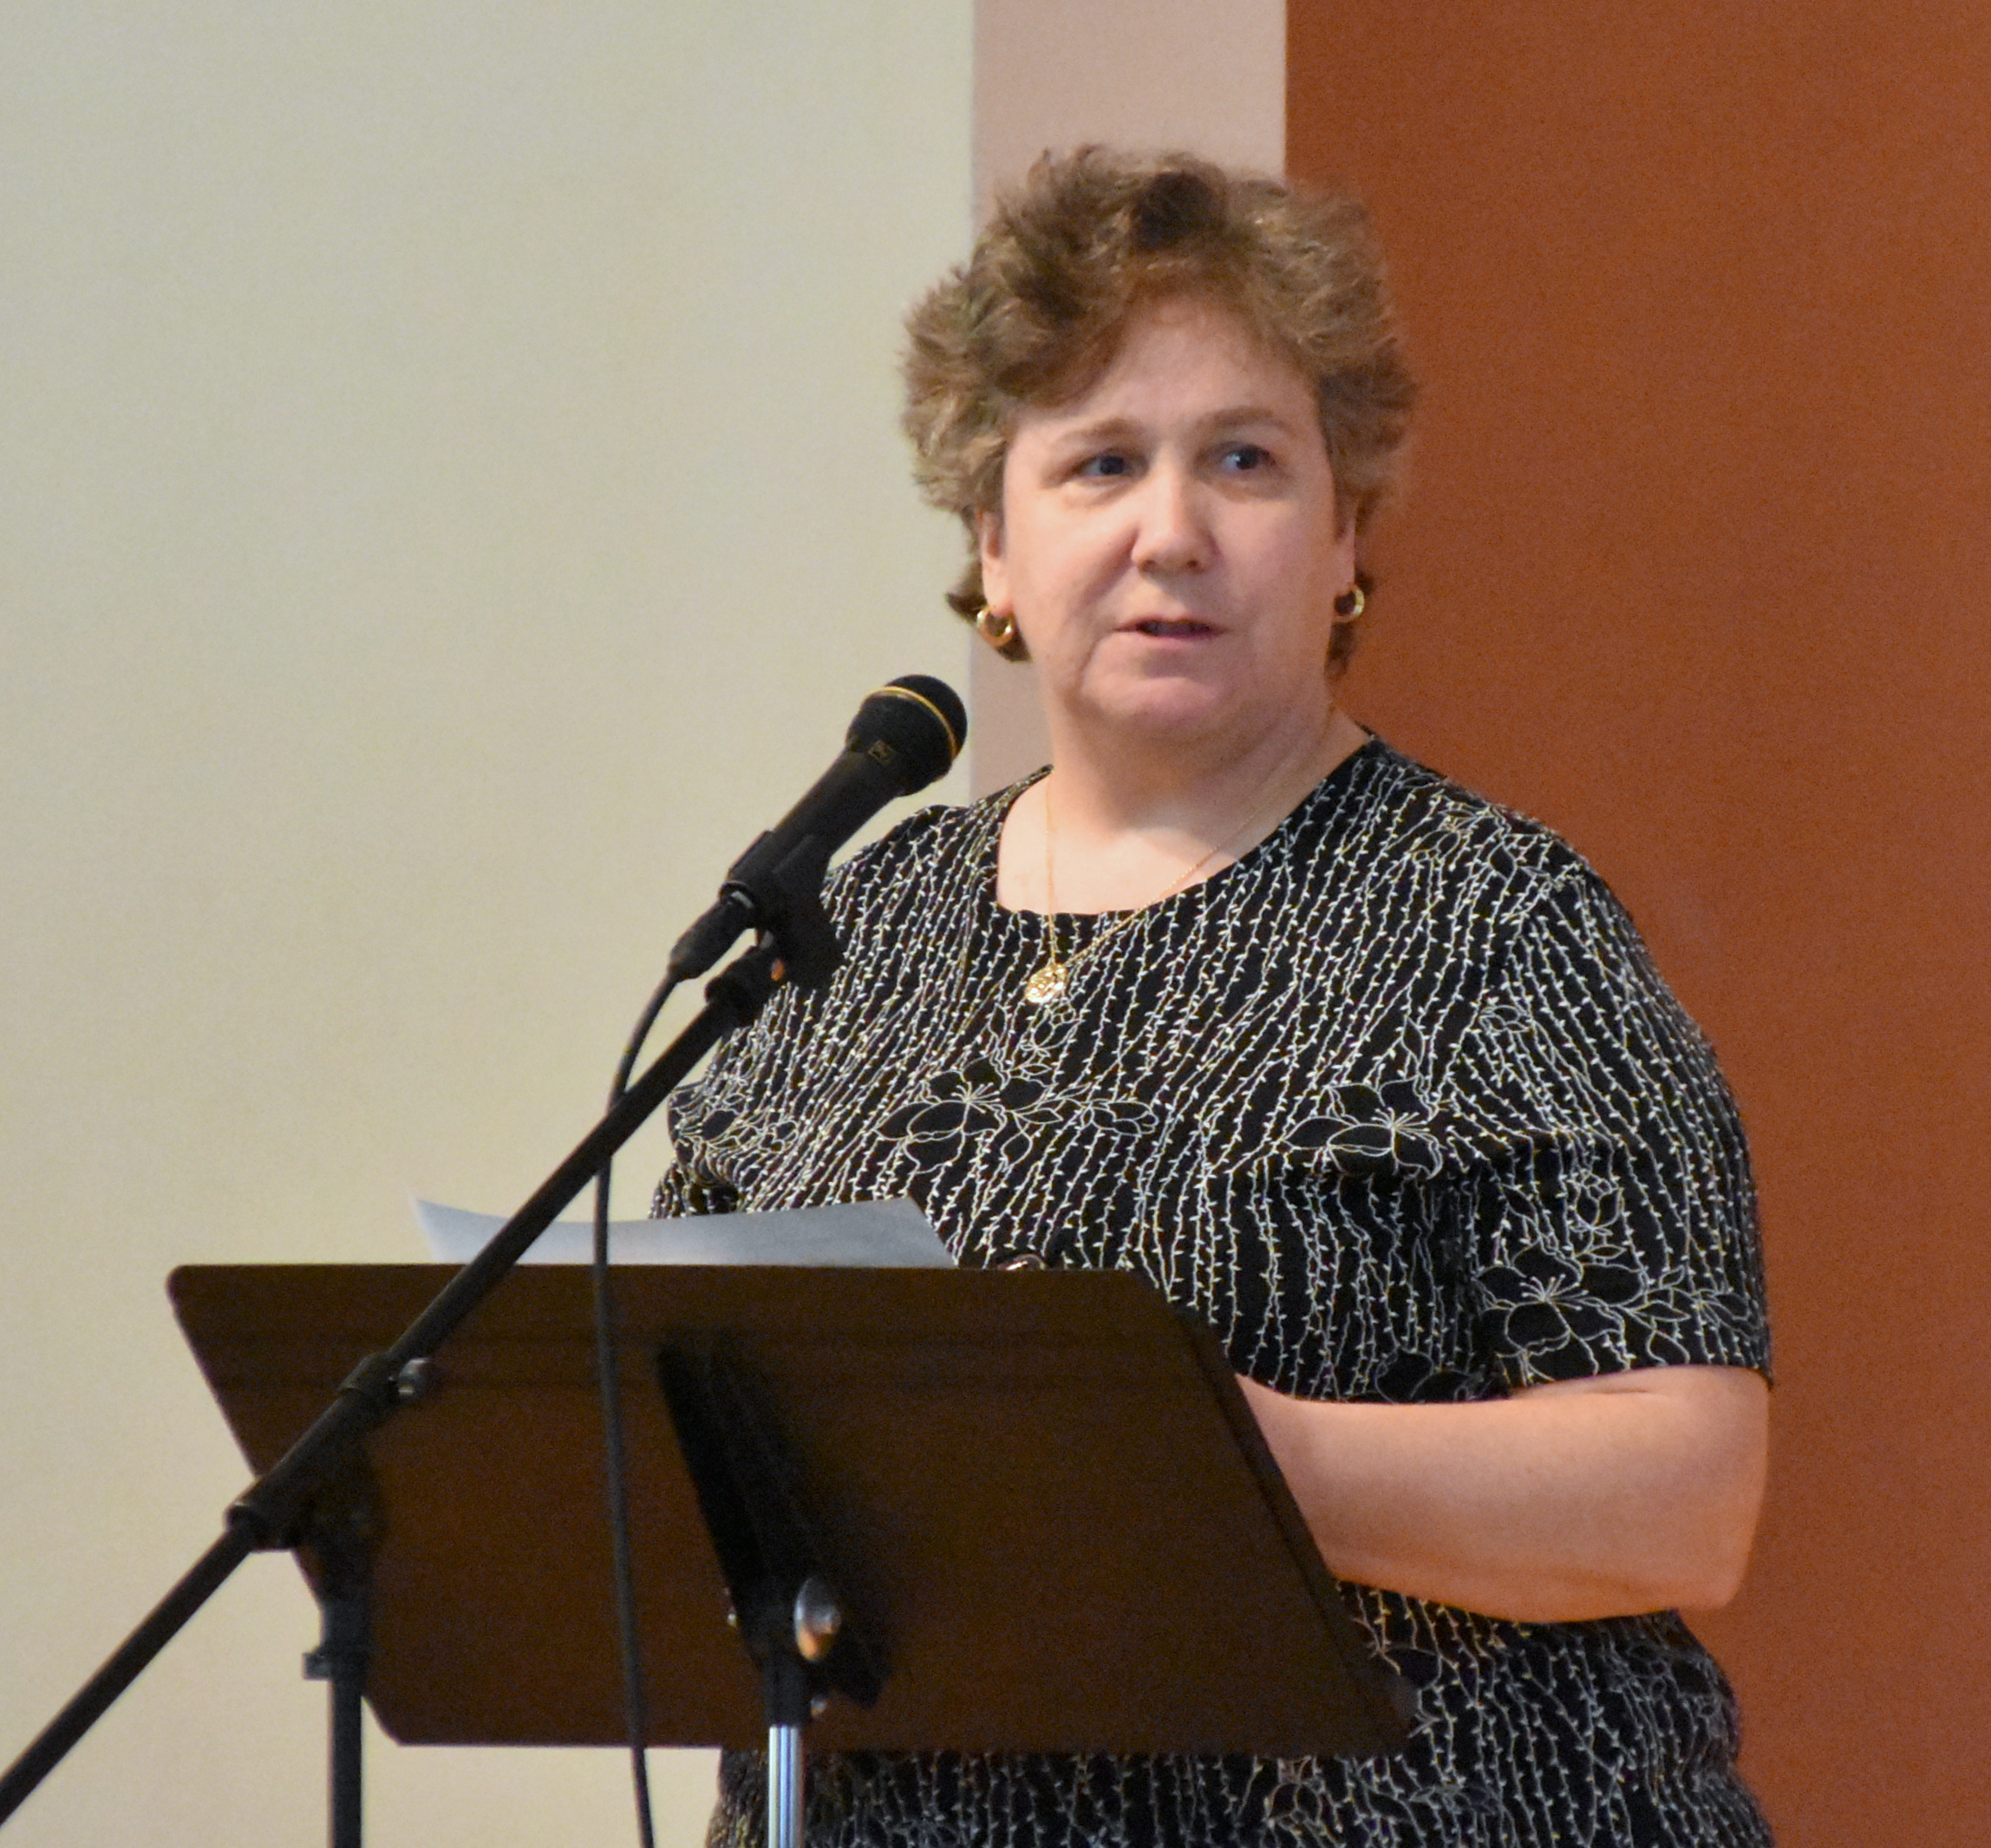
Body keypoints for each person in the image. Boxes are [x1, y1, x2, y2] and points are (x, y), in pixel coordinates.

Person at [660, 147, 1773, 1848]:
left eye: (1243, 461)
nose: (1169, 532)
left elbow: (1687, 1489)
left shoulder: (1492, 922)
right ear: (994, 546)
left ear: (1346, 535)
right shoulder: (853, 927)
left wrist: (1227, 1457)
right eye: (1100, 462)